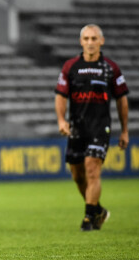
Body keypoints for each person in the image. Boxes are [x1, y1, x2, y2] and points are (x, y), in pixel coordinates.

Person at [54, 24, 129, 232]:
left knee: (92, 169)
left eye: (94, 38)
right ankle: (97, 210)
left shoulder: (111, 69)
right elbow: (61, 96)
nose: (90, 43)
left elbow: (121, 100)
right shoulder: (70, 67)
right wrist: (61, 120)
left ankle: (88, 218)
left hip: (100, 127)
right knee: (78, 175)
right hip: (77, 128)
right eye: (86, 39)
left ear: (101, 41)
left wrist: (124, 130)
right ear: (81, 42)